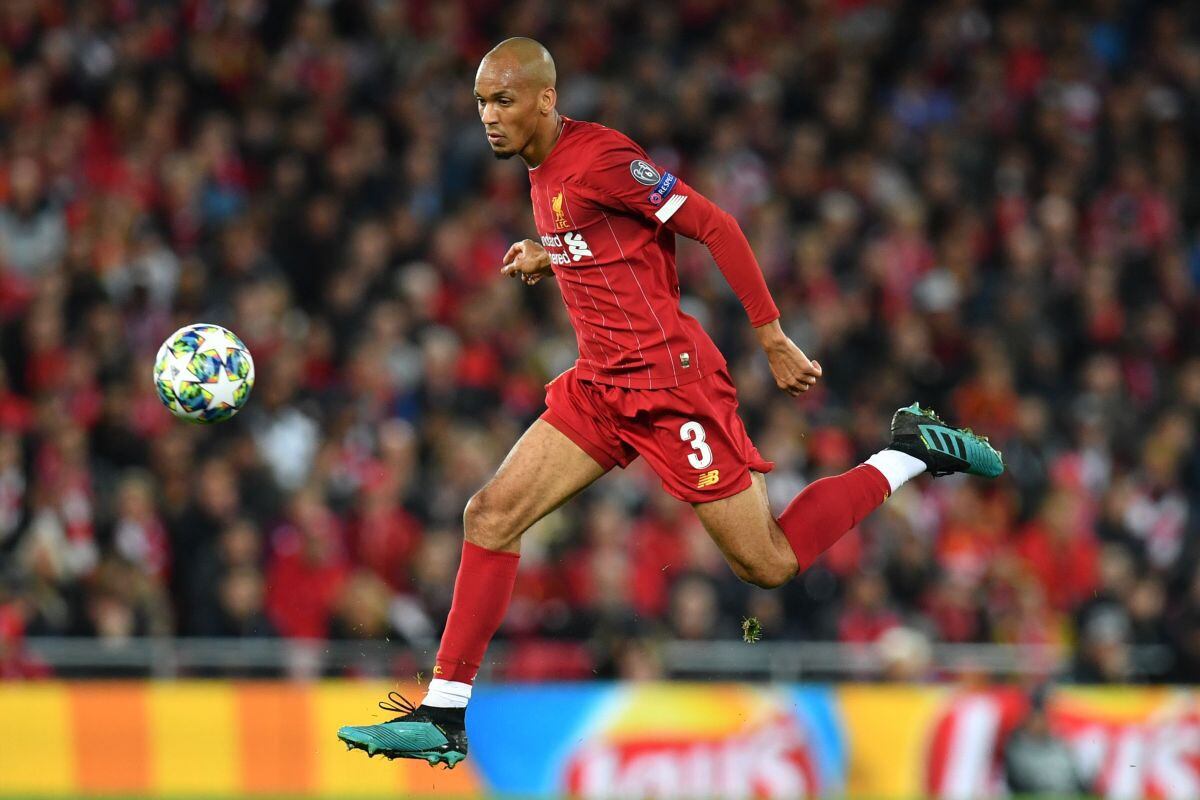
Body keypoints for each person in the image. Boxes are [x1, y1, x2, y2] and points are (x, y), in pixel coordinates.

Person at [337, 37, 1003, 768]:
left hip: (669, 389)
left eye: (502, 101)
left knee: (769, 564)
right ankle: (443, 713)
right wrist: (547, 251)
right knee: (489, 515)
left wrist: (773, 335)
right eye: (480, 104)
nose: (488, 117)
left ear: (545, 99)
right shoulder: (542, 170)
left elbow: (715, 224)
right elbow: (606, 246)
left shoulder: (603, 161)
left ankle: (907, 450)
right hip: (600, 385)